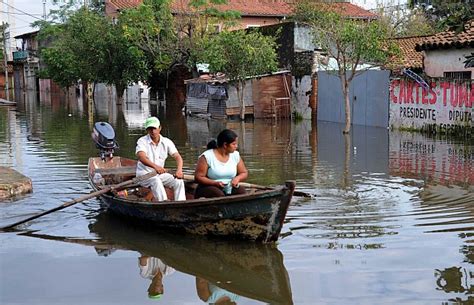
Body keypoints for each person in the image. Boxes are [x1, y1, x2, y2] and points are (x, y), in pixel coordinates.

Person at [136, 116, 186, 201]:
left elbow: (178, 157)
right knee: (155, 181)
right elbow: (142, 157)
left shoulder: (166, 142)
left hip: (160, 174)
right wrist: (156, 167)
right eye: (150, 129)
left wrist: (179, 170)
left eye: (155, 128)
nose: (153, 131)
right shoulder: (142, 141)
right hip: (144, 175)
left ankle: (181, 203)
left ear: (160, 128)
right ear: (147, 130)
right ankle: (163, 203)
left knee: (179, 181)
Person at [194, 129, 248, 198]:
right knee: (219, 195)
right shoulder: (207, 156)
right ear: (225, 145)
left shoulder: (235, 155)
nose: (236, 146)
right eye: (234, 144)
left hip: (229, 187)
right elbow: (198, 177)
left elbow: (244, 172)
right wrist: (214, 183)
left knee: (242, 192)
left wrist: (237, 178)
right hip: (208, 187)